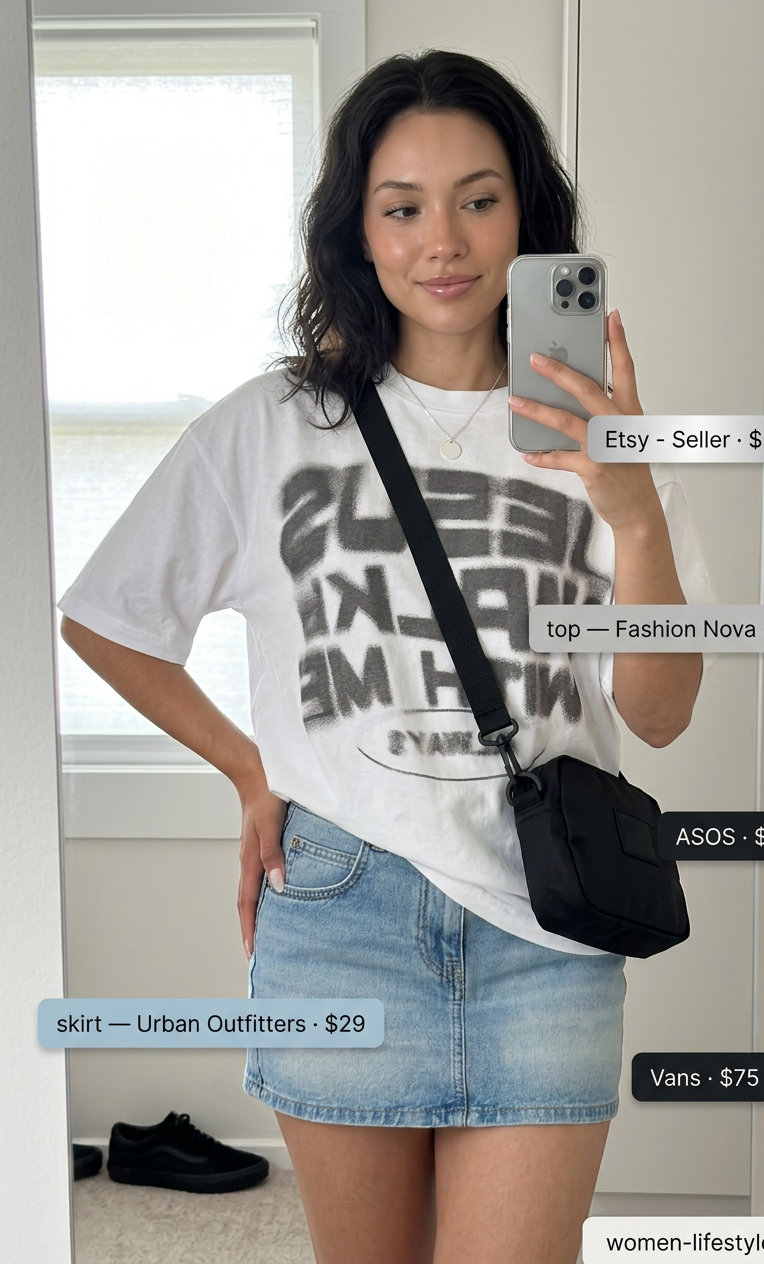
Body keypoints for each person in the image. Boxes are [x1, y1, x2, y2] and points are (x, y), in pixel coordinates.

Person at [60, 49, 710, 1264]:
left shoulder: (600, 434)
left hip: (547, 928)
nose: (443, 241)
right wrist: (252, 770)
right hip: (338, 911)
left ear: (526, 211)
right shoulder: (273, 428)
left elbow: (661, 712)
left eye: (477, 198)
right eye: (401, 208)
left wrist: (631, 512)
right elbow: (107, 618)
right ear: (356, 234)